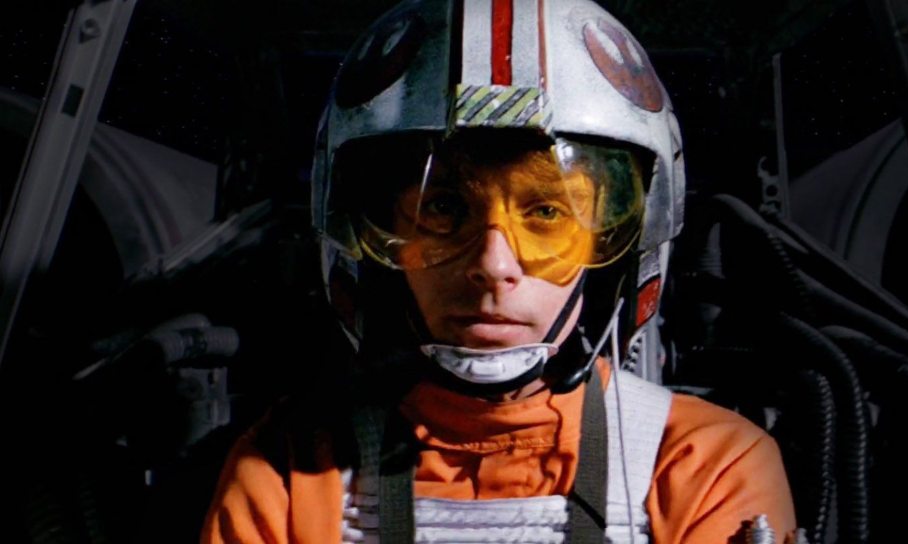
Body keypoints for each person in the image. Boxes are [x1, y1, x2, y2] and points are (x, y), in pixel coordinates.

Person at [201, 0, 796, 542]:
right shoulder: (285, 469)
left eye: (546, 214)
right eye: (442, 209)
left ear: (619, 248)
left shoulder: (704, 464)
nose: (492, 266)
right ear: (375, 242)